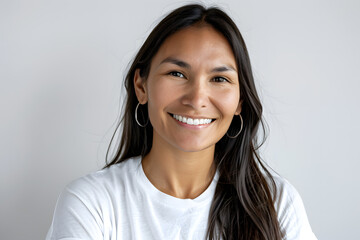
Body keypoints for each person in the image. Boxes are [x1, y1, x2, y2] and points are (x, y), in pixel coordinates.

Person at [46, 4, 317, 240]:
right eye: (177, 73)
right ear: (141, 86)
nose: (197, 98)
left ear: (240, 102)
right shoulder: (91, 203)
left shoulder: (276, 202)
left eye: (219, 79)